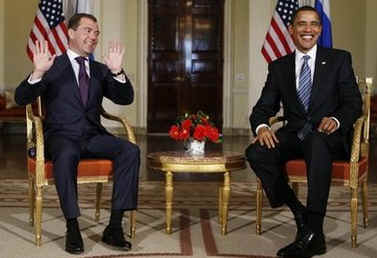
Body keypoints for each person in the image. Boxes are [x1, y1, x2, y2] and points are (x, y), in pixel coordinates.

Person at [15, 13, 139, 254]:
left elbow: (125, 98)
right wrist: (38, 73)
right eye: (87, 30)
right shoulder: (53, 65)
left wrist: (117, 71)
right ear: (70, 33)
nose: (93, 36)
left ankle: (114, 227)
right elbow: (21, 98)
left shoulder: (100, 70)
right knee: (67, 151)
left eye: (96, 33)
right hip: (61, 137)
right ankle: (72, 227)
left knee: (130, 150)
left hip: (93, 137)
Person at [245, 6, 362, 258]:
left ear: (320, 29)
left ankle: (312, 232)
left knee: (316, 142)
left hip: (329, 137)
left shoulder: (339, 59)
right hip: (296, 134)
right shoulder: (279, 66)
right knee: (256, 152)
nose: (308, 29)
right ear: (291, 29)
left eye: (314, 24)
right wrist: (263, 126)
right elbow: (262, 108)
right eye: (301, 24)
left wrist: (336, 119)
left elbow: (354, 103)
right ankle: (301, 213)